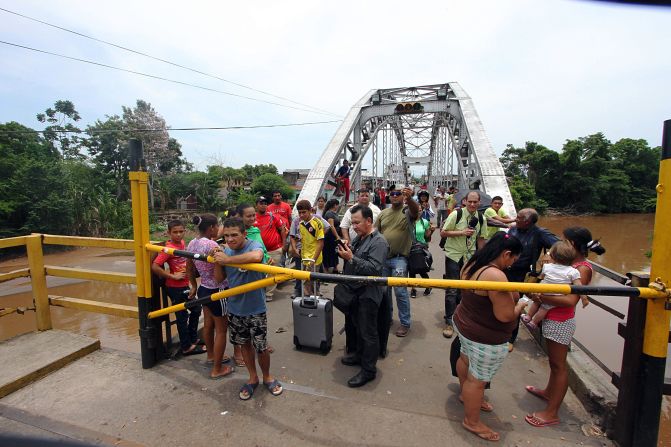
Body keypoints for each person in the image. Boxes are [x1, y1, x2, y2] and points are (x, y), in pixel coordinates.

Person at [524, 226, 606, 428]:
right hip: (552, 317)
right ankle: (549, 393)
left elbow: (570, 301)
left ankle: (551, 413)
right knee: (554, 363)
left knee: (560, 366)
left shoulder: (581, 269)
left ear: (572, 244)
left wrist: (541, 296)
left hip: (561, 320)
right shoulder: (568, 264)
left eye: (564, 239)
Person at [453, 232, 526, 442]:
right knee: (477, 380)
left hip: (465, 325)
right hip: (484, 336)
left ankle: (465, 395)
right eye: (513, 260)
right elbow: (504, 315)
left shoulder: (473, 262)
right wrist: (520, 305)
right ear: (507, 254)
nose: (512, 265)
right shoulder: (495, 275)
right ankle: (472, 421)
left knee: (465, 360)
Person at [213, 217, 282, 400]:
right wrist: (217, 260)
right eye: (226, 236)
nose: (230, 239)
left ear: (244, 233)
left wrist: (228, 259)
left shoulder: (254, 245)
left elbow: (257, 257)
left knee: (261, 347)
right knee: (244, 345)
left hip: (256, 308)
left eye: (234, 235)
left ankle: (267, 376)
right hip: (235, 308)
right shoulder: (225, 250)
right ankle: (253, 378)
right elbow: (219, 279)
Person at [336, 205, 389, 387]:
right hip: (355, 292)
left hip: (368, 294)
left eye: (357, 223)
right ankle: (359, 355)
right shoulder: (360, 237)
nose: (354, 227)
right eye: (352, 223)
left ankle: (368, 370)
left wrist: (351, 257)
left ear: (369, 221)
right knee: (357, 327)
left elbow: (374, 269)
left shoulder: (379, 242)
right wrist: (347, 253)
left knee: (368, 332)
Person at [186, 214, 235, 378]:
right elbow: (220, 278)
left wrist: (193, 286)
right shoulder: (212, 245)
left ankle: (211, 356)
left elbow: (189, 267)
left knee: (208, 326)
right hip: (218, 291)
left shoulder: (192, 243)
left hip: (204, 289)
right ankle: (217, 369)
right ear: (211, 228)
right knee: (221, 330)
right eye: (217, 226)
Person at [506, 208, 559, 350]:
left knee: (514, 302)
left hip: (522, 275)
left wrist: (549, 255)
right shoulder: (513, 230)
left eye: (519, 218)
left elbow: (560, 247)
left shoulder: (539, 233)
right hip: (504, 270)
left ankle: (510, 338)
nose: (515, 219)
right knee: (498, 300)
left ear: (528, 222)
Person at [151, 220, 204, 357]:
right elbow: (155, 266)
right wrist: (172, 276)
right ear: (169, 233)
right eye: (175, 232)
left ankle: (193, 338)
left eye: (181, 231)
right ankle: (186, 346)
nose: (179, 234)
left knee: (196, 308)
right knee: (182, 316)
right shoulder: (168, 249)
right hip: (174, 287)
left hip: (184, 285)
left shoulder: (181, 244)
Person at [440, 191, 488, 339]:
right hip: (454, 255)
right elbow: (443, 232)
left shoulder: (481, 218)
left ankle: (460, 317)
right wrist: (462, 232)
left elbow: (481, 239)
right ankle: (449, 321)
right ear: (465, 201)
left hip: (469, 257)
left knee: (465, 289)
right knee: (452, 289)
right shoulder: (456, 215)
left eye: (475, 202)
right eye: (470, 201)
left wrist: (482, 259)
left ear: (479, 203)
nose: (472, 204)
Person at [375, 186, 419, 337]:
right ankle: (387, 318)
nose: (394, 196)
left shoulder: (407, 211)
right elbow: (376, 234)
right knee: (384, 292)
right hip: (383, 259)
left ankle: (405, 323)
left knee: (400, 291)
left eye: (398, 194)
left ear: (402, 197)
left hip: (399, 258)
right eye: (392, 194)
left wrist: (410, 198)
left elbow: (415, 211)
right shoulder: (383, 213)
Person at [521, 241, 582, 330]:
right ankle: (534, 322)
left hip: (543, 290)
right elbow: (579, 286)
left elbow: (542, 277)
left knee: (536, 302)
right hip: (557, 294)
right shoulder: (573, 271)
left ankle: (528, 316)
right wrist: (584, 298)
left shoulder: (547, 266)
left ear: (553, 256)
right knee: (544, 309)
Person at [254, 196, 288, 300]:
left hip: (274, 250)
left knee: (272, 273)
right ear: (256, 205)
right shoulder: (252, 218)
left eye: (265, 203)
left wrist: (283, 245)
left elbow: (282, 229)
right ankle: (259, 292)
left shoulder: (273, 217)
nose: (263, 205)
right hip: (258, 252)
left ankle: (269, 294)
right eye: (261, 203)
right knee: (258, 273)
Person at [295, 200, 324, 296]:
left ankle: (315, 301)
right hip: (304, 257)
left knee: (313, 282)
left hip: (314, 258)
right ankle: (308, 301)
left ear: (310, 210)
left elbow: (320, 243)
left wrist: (313, 259)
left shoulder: (317, 223)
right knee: (306, 282)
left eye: (304, 212)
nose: (301, 215)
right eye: (300, 213)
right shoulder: (301, 224)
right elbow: (304, 240)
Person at [409, 211, 435, 298]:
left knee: (421, 269)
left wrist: (431, 231)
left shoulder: (425, 222)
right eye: (416, 210)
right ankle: (413, 289)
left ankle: (428, 286)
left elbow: (427, 236)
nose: (418, 212)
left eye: (420, 210)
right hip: (409, 248)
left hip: (421, 248)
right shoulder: (407, 221)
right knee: (411, 269)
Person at [322, 198, 342, 274]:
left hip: (333, 237)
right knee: (328, 252)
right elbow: (331, 226)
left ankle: (335, 268)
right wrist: (337, 236)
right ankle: (326, 270)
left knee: (334, 252)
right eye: (337, 205)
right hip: (330, 237)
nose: (338, 206)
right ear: (335, 205)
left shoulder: (334, 213)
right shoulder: (329, 213)